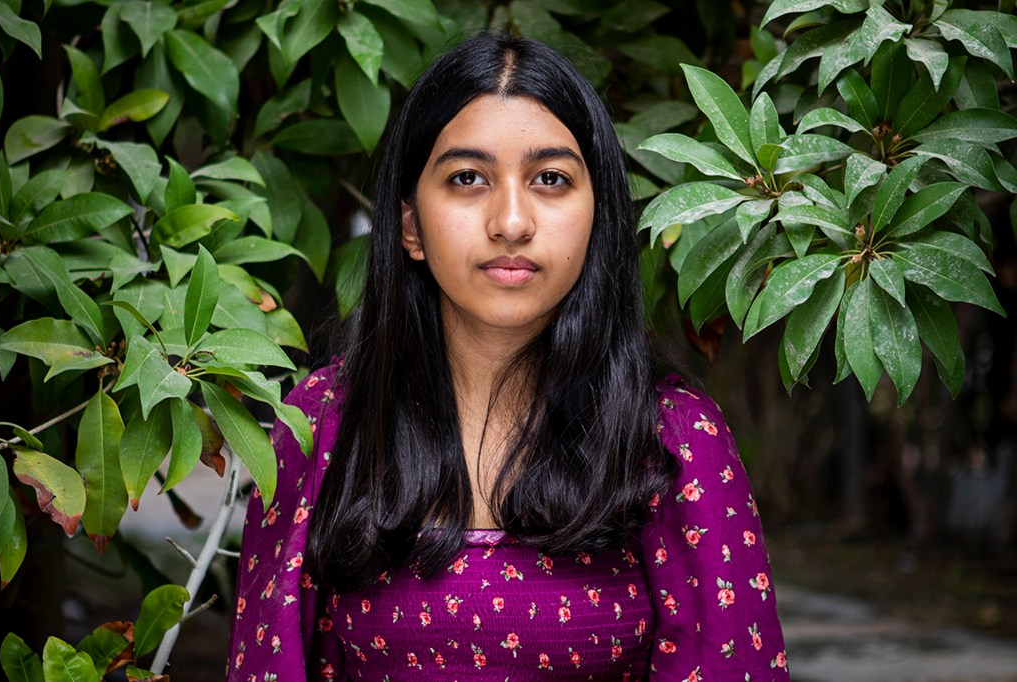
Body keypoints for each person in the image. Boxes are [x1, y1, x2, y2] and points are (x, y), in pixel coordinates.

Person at [226, 32, 789, 681]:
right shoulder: (324, 422)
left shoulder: (672, 439)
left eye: (550, 179)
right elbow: (272, 662)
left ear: (597, 214)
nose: (512, 221)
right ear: (410, 225)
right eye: (468, 178)